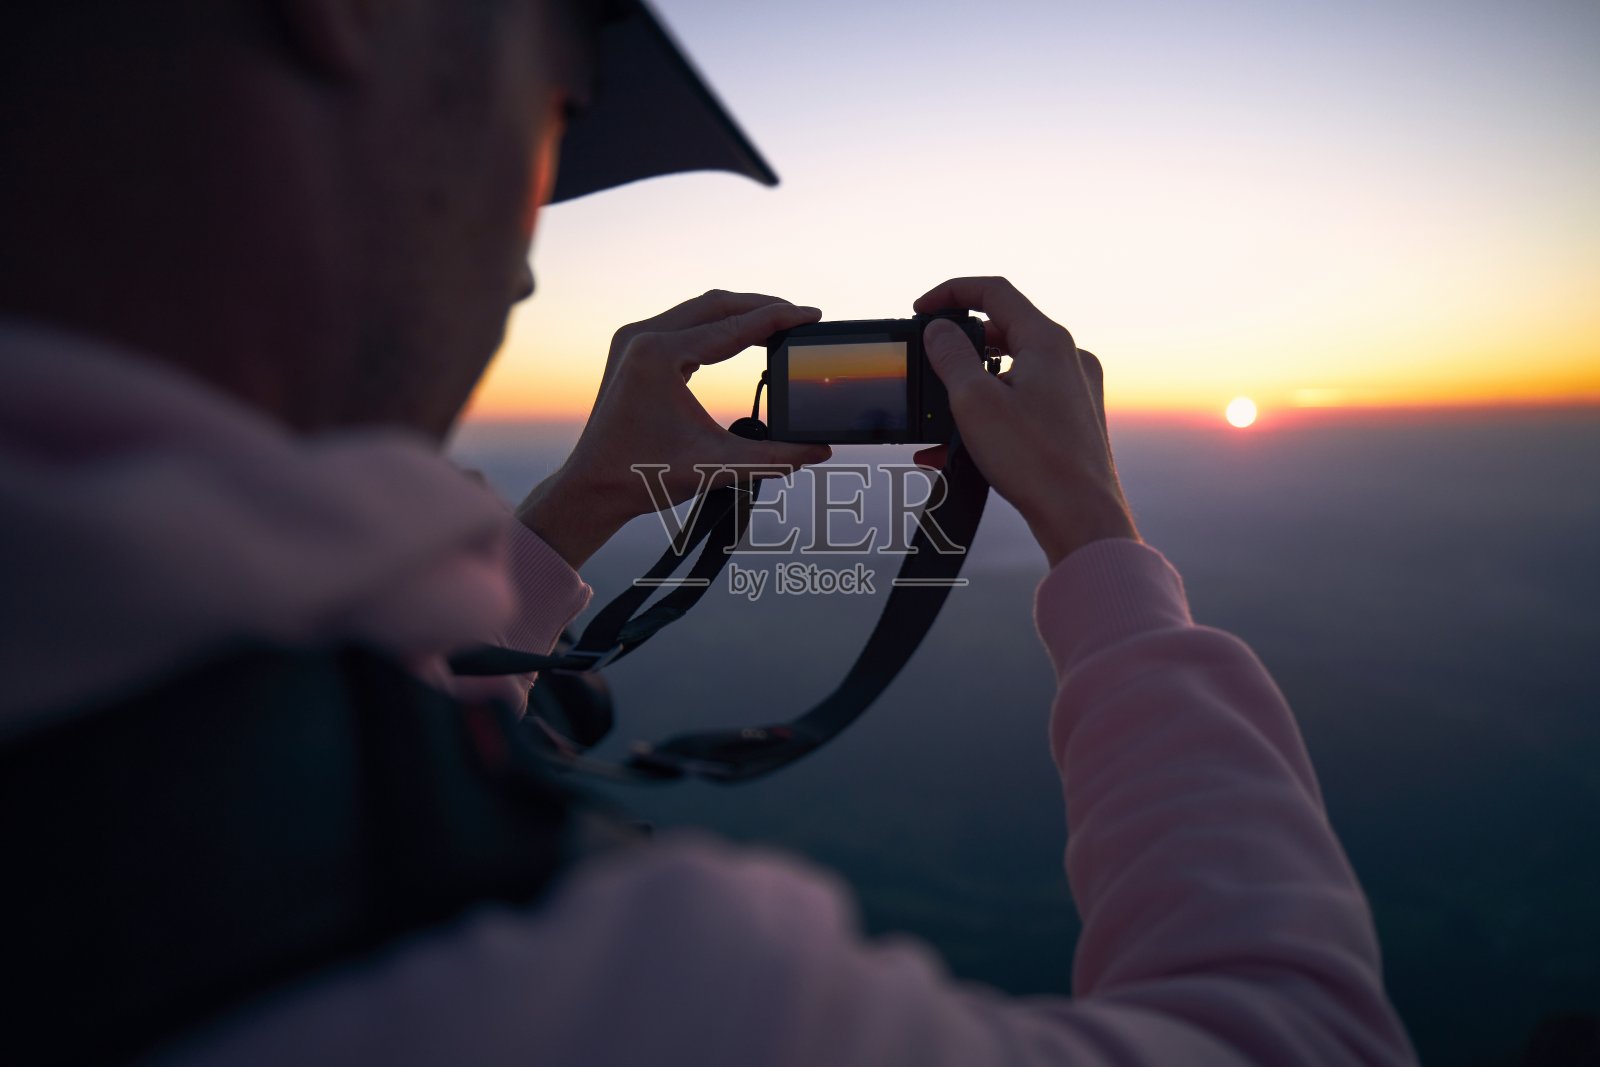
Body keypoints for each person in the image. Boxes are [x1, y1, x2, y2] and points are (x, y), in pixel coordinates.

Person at [0, 1, 1416, 1064]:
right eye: (557, 109)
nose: (530, 260)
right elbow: (1295, 1034)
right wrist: (1097, 534)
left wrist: (586, 502)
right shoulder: (599, 1001)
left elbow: (298, 742)